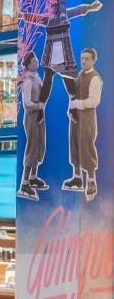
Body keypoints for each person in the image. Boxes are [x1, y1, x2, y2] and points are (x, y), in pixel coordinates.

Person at [62, 47, 101, 201]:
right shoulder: (80, 75)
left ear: (93, 60)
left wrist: (77, 103)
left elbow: (94, 101)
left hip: (87, 119)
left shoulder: (95, 78)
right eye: (82, 58)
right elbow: (74, 94)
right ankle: (77, 177)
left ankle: (91, 181)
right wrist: (71, 108)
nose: (83, 61)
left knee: (86, 147)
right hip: (76, 118)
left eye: (87, 58)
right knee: (75, 146)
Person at [18, 51, 48, 200]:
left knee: (39, 145)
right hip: (32, 117)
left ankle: (33, 177)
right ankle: (24, 184)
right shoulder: (28, 81)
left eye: (36, 61)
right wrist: (39, 106)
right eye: (34, 61)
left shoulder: (36, 76)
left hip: (39, 116)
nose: (37, 63)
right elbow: (27, 104)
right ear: (28, 65)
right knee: (32, 148)